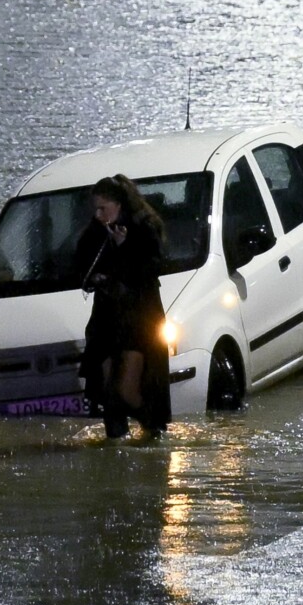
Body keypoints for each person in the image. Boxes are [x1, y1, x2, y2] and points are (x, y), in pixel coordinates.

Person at [74, 175, 171, 439]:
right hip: (107, 315)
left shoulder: (144, 227)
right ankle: (116, 440)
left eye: (103, 208)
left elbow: (152, 267)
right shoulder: (96, 231)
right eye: (95, 209)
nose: (98, 214)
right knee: (107, 388)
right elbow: (79, 264)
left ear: (119, 204)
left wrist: (124, 247)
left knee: (127, 388)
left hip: (139, 317)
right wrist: (94, 277)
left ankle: (154, 428)